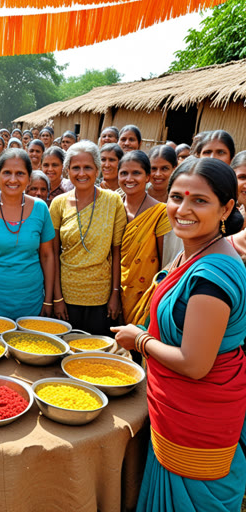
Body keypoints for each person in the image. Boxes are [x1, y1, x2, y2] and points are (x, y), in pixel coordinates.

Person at [112, 157, 246, 512]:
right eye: (175, 197)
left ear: (226, 207)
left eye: (199, 200)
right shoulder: (196, 253)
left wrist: (138, 340)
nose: (183, 209)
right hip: (176, 411)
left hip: (199, 420)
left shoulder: (211, 277)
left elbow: (195, 363)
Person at [0, 148, 55, 320]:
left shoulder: (40, 209)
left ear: (29, 179)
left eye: (20, 173)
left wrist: (49, 301)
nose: (13, 179)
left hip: (31, 301)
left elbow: (47, 256)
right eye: (7, 173)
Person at [50, 141, 126, 334]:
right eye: (76, 168)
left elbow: (116, 252)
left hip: (101, 295)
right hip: (67, 295)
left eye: (88, 167)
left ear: (98, 169)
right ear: (67, 171)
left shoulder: (113, 201)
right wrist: (57, 298)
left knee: (96, 353)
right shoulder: (58, 204)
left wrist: (115, 295)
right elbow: (52, 254)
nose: (81, 173)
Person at [118, 150, 171, 324]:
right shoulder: (113, 206)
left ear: (147, 177)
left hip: (144, 294)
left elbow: (165, 260)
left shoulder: (160, 212)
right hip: (110, 290)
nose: (129, 179)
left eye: (136, 173)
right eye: (124, 173)